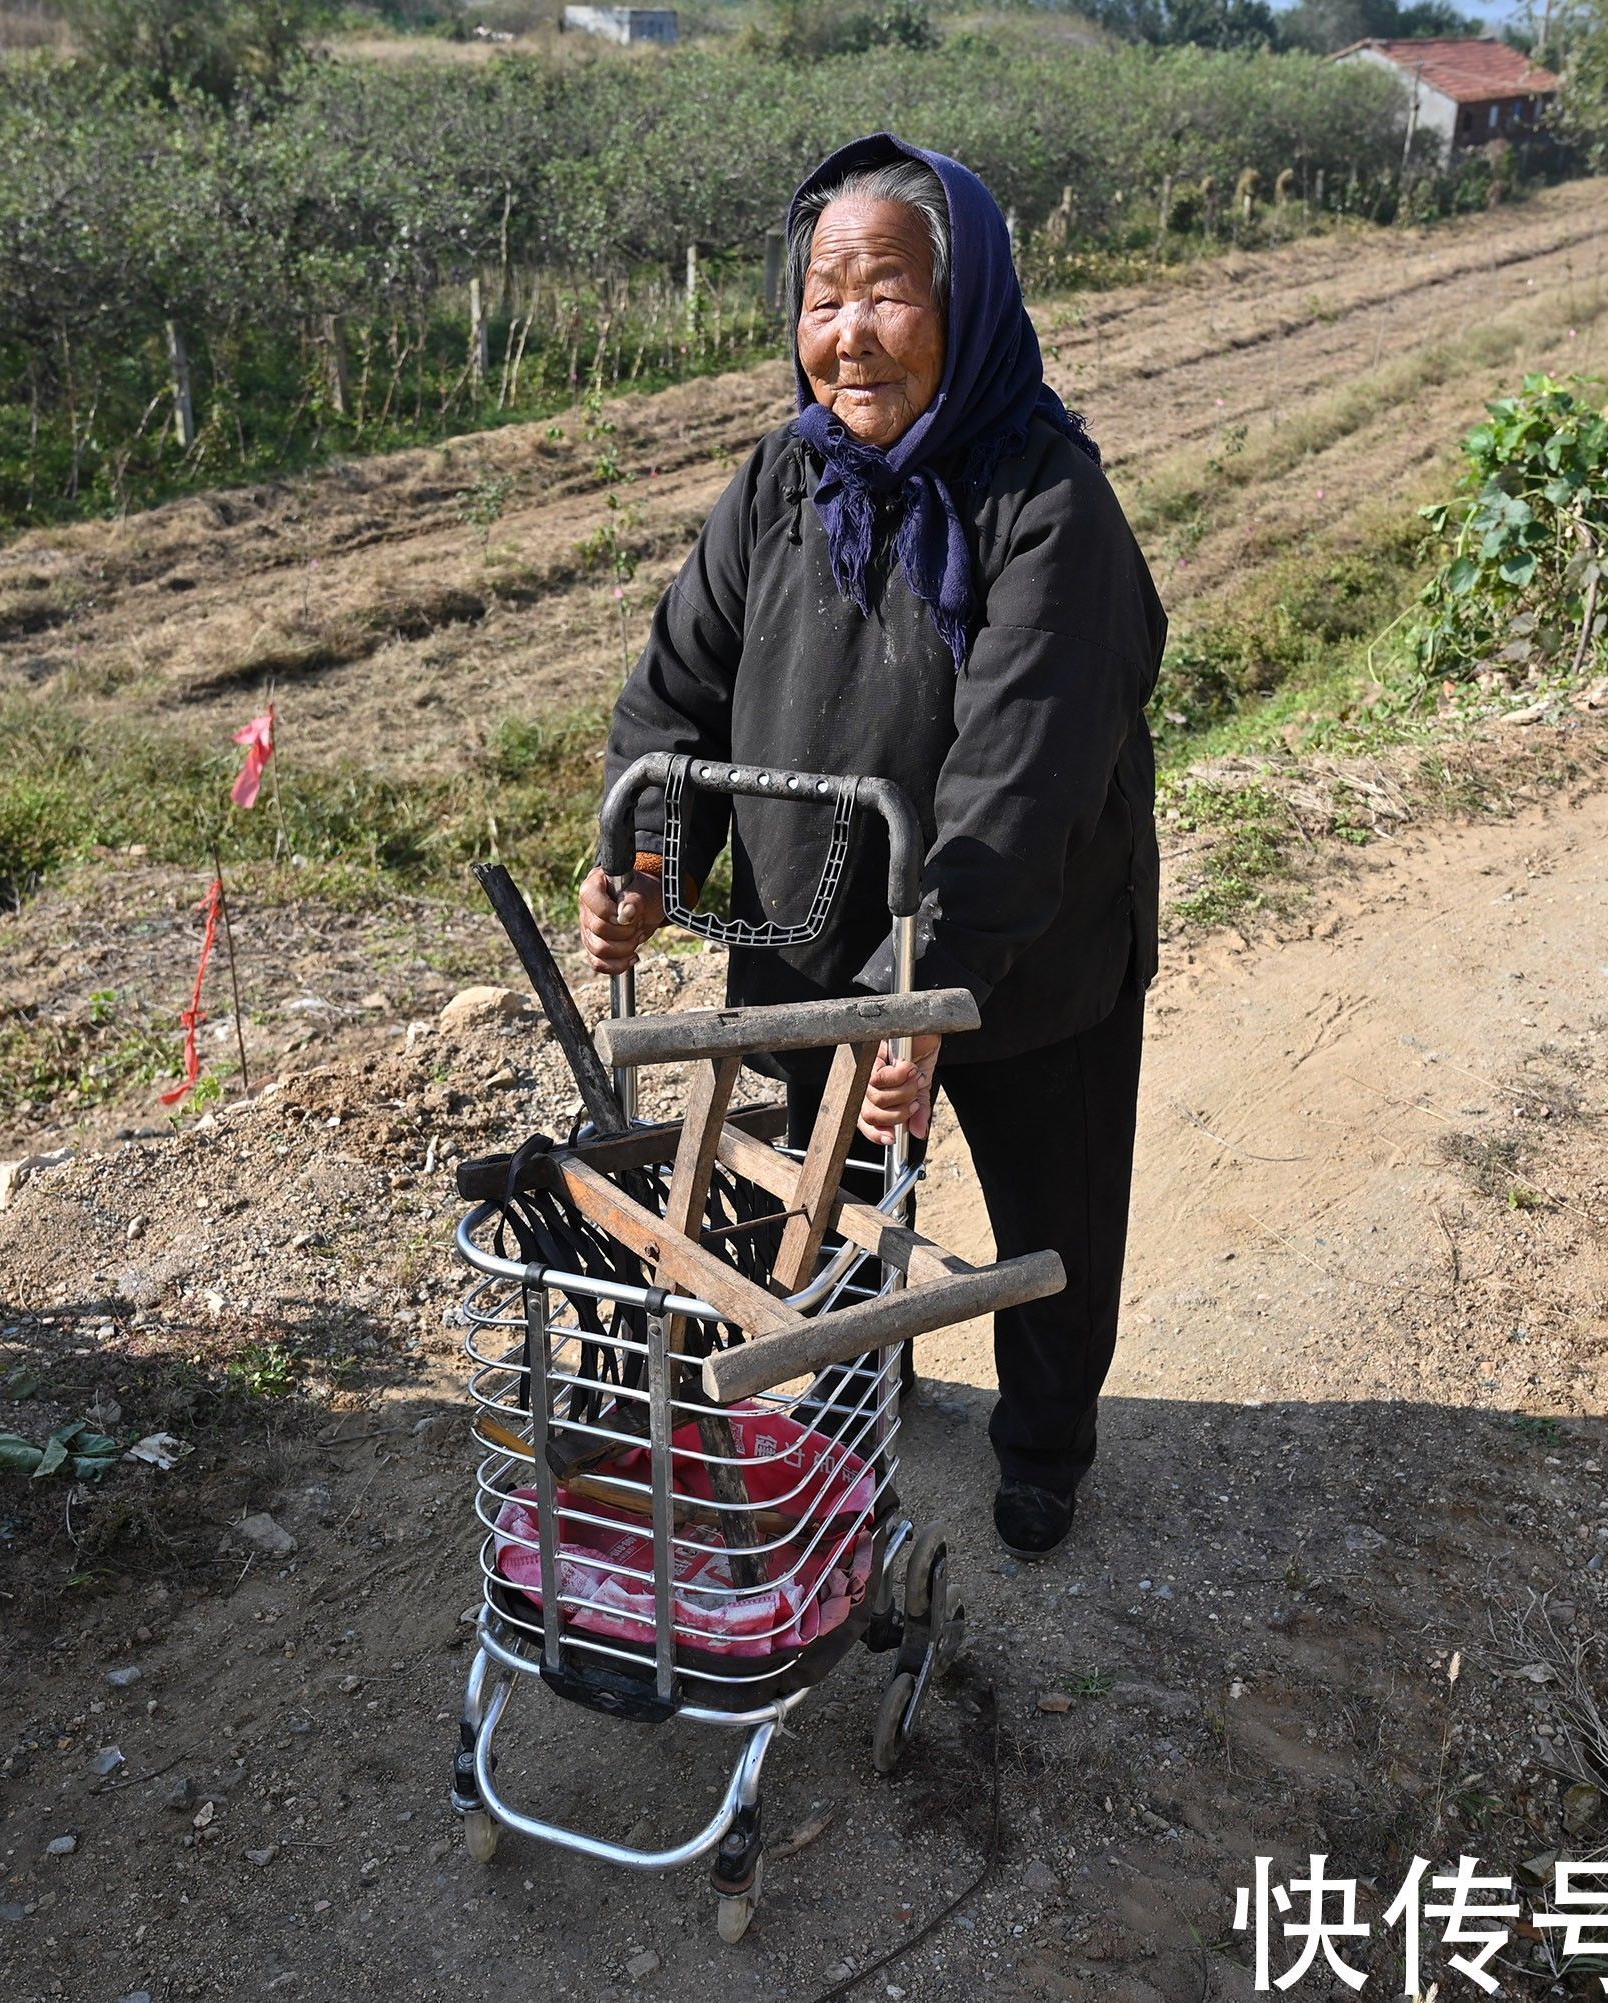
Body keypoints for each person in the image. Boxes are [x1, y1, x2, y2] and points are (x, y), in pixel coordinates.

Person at [577, 132, 1164, 1560]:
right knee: (806, 1199)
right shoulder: (785, 483)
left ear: (966, 308)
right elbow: (676, 693)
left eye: (887, 290)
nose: (849, 333)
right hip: (805, 928)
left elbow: (1021, 777)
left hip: (1017, 948)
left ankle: (1043, 1449)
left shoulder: (1047, 503)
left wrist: (938, 981)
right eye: (823, 294)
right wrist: (650, 867)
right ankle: (852, 1404)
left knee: (1051, 1208)